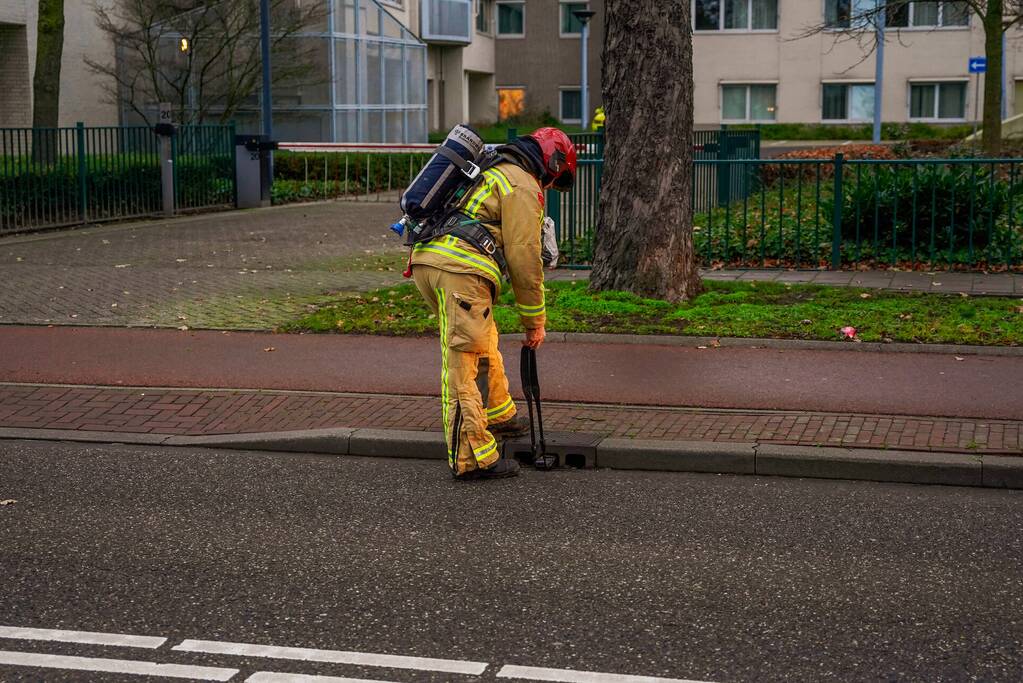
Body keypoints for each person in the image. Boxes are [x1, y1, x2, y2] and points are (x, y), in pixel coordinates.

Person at [410, 128, 577, 480]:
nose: (549, 186)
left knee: (482, 342)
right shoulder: (522, 183)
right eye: (554, 178)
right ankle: (471, 459)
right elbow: (524, 258)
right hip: (459, 270)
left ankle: (500, 415)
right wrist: (534, 321)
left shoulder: (492, 169)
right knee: (461, 367)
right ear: (552, 161)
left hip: (435, 260)